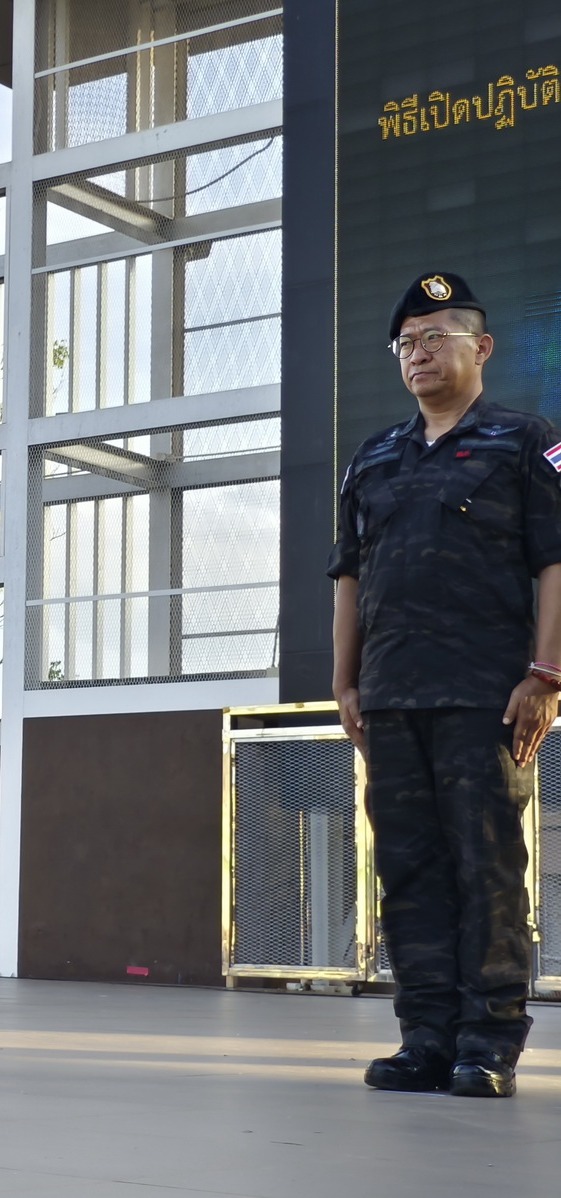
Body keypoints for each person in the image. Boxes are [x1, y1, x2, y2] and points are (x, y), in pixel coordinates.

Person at [330, 271, 561, 1099]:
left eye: (435, 337)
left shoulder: (524, 441)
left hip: (484, 695)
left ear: (481, 348)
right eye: (405, 343)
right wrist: (344, 681)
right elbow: (349, 575)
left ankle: (487, 1041)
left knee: (487, 868)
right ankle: (424, 1035)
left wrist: (546, 673)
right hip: (390, 698)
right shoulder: (373, 457)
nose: (417, 354)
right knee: (408, 870)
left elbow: (553, 561)